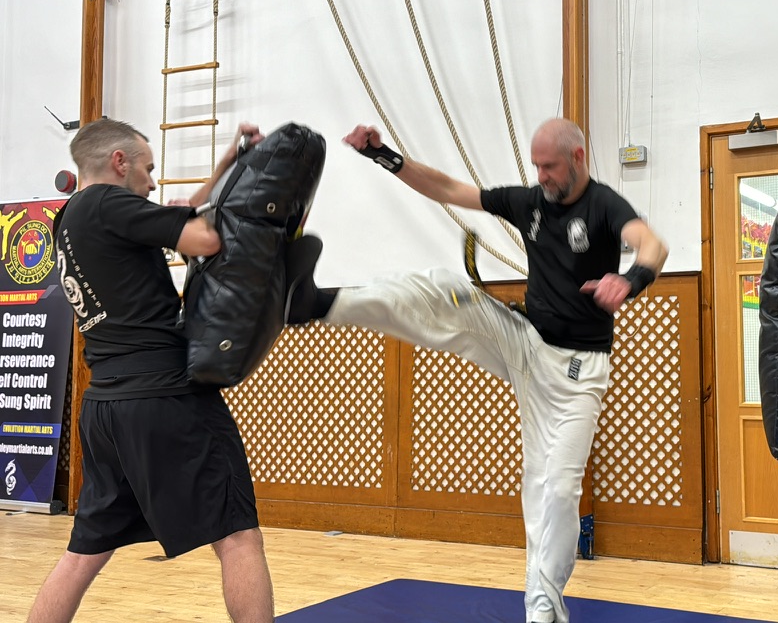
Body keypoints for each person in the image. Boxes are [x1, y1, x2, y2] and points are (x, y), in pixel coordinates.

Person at [286, 117, 667, 623]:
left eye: (550, 167)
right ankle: (318, 304)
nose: (541, 176)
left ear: (578, 158)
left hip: (578, 377)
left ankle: (543, 611)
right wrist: (385, 156)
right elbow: (448, 188)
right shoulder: (530, 202)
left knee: (555, 490)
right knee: (447, 292)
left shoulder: (603, 205)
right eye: (536, 166)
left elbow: (652, 244)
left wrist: (631, 279)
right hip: (525, 342)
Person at [29, 119, 275, 623]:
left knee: (83, 553)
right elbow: (204, 239)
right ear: (119, 162)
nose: (152, 180)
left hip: (106, 407)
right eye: (148, 168)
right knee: (237, 535)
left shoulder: (70, 219)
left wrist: (227, 165)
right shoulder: (110, 204)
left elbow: (169, 219)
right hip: (164, 397)